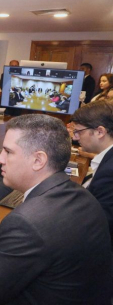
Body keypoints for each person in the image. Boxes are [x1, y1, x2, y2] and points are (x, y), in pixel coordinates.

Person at [0, 114, 111, 305]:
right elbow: (41, 243)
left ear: (38, 160)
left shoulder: (27, 221)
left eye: (8, 151)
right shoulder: (81, 195)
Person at [71, 100, 113, 248]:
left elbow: (100, 224)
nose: (75, 137)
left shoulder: (109, 173)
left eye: (78, 132)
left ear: (100, 132)